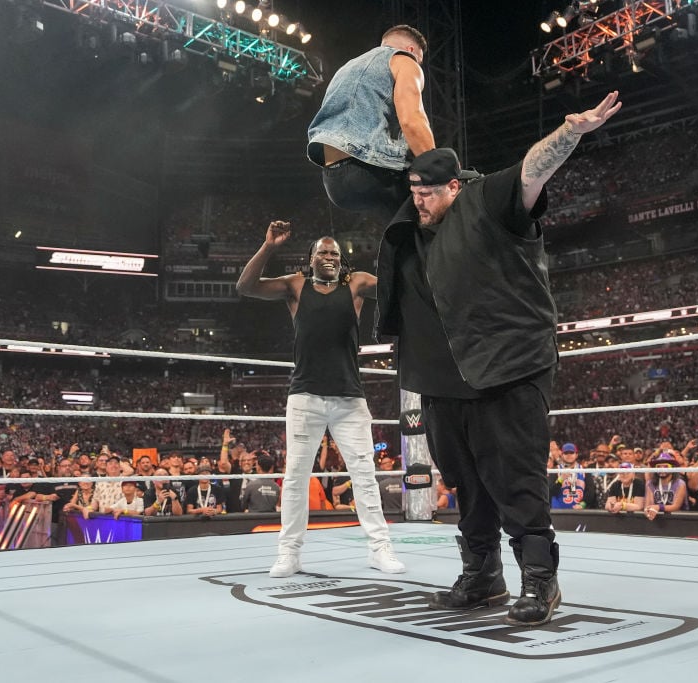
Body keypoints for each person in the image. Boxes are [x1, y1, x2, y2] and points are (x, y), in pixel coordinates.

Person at [373, 91, 621, 626]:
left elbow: (532, 172)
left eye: (430, 193)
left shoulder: (486, 203)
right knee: (467, 485)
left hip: (507, 368)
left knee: (516, 480)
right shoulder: (409, 232)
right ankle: (483, 575)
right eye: (414, 192)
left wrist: (571, 132)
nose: (419, 201)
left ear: (455, 187)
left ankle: (540, 581)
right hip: (441, 381)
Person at [236, 221, 406, 578]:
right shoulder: (296, 285)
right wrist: (268, 247)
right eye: (322, 252)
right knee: (296, 478)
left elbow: (398, 286)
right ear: (310, 258)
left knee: (364, 473)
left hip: (349, 398)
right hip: (305, 396)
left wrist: (405, 249)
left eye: (334, 253)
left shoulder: (356, 283)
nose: (329, 256)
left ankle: (380, 548)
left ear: (341, 260)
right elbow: (246, 287)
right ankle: (289, 553)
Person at [307, 25, 434, 220]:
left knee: (399, 230)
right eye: (418, 59)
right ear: (410, 50)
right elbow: (412, 120)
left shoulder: (346, 68)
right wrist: (438, 167)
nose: (418, 64)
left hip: (333, 181)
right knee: (437, 205)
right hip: (367, 167)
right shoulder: (405, 61)